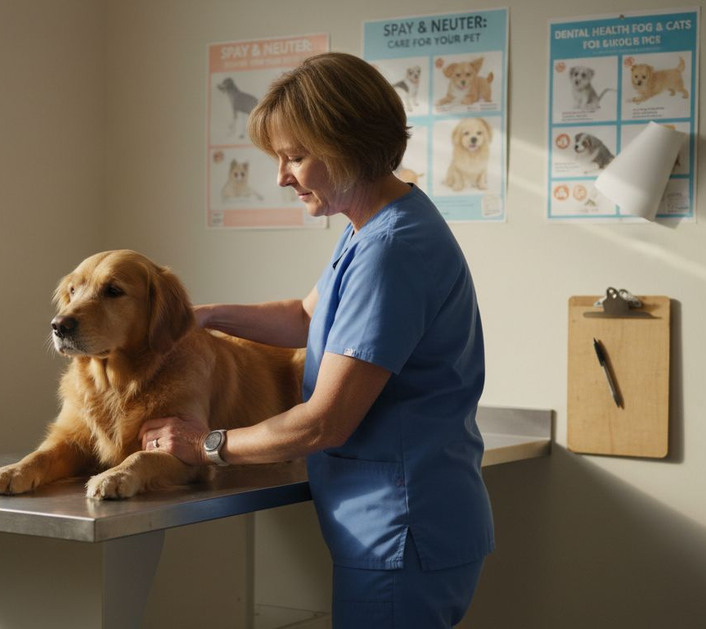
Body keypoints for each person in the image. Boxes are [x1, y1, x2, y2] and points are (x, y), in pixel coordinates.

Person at [138, 52, 493, 628]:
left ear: (347, 145)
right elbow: (308, 317)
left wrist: (204, 444)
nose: (281, 177)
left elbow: (324, 423)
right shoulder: (373, 227)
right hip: (400, 524)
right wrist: (203, 317)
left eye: (295, 157)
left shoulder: (390, 250)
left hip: (402, 530)